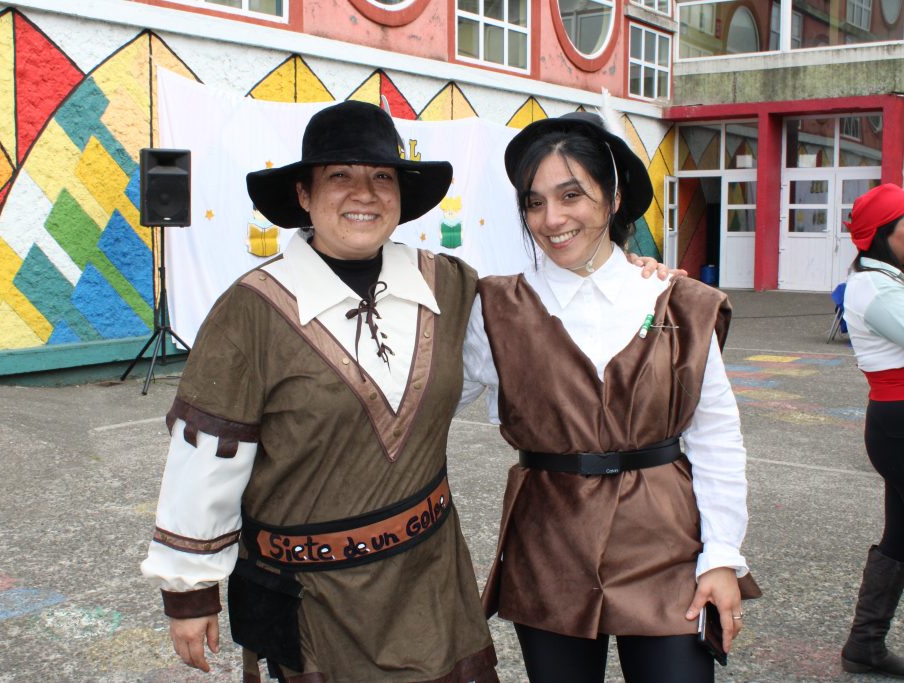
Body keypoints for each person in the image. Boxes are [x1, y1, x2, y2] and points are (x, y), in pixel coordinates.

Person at [140, 100, 499, 682]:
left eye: (382, 176)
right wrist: (190, 590)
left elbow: (536, 332)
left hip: (431, 578)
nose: (365, 194)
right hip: (315, 599)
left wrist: (626, 274)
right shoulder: (251, 310)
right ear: (304, 195)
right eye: (340, 176)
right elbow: (207, 458)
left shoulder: (449, 285)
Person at [460, 112, 760, 682]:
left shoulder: (681, 303)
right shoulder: (495, 309)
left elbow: (716, 437)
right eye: (534, 202)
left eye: (571, 194)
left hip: (666, 539)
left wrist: (722, 555)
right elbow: (428, 400)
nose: (552, 219)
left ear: (614, 197)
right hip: (550, 539)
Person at [841, 182, 904, 677]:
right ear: (885, 234)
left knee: (900, 534)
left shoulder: (887, 280)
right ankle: (864, 643)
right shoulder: (876, 288)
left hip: (895, 421)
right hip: (897, 422)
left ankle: (865, 645)